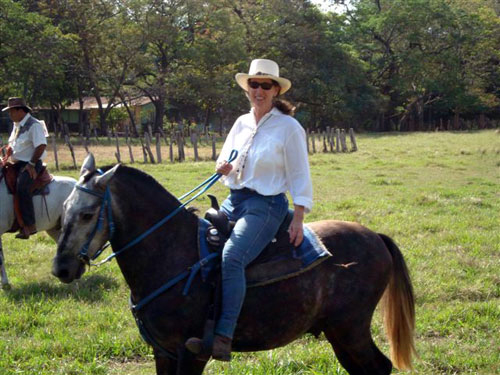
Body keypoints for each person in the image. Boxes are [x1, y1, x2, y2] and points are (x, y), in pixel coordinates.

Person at [186, 59, 313, 361]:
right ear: (248, 88)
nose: (258, 90)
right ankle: (196, 318)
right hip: (234, 199)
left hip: (266, 204)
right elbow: (226, 159)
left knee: (233, 257)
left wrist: (298, 216)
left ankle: (223, 336)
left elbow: (299, 173)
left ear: (275, 90)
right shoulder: (241, 122)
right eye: (253, 84)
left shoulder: (289, 128)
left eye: (265, 85)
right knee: (196, 245)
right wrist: (222, 167)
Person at [1, 97, 48, 239]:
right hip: (17, 163)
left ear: (20, 111)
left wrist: (32, 165)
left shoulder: (34, 125)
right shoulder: (17, 125)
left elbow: (41, 146)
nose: (10, 115)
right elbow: (14, 145)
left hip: (31, 163)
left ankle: (29, 224)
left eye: (11, 111)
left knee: (22, 187)